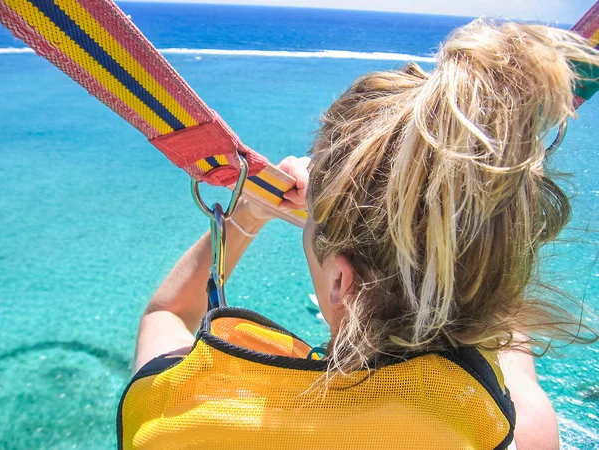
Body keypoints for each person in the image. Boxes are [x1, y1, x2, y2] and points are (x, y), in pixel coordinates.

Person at [119, 19, 599, 450]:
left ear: (341, 283)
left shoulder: (173, 419)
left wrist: (249, 213)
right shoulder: (514, 427)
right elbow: (501, 320)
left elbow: (171, 313)